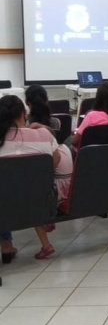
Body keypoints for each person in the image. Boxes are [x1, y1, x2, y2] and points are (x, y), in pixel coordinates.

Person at [0, 95, 73, 260]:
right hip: (38, 198)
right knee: (29, 188)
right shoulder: (43, 135)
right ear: (25, 115)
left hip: (5, 201)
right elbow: (56, 160)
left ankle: (5, 244)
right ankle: (45, 244)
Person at [70, 82, 108, 148]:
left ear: (98, 98)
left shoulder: (91, 116)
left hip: (91, 155)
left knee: (68, 140)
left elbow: (74, 141)